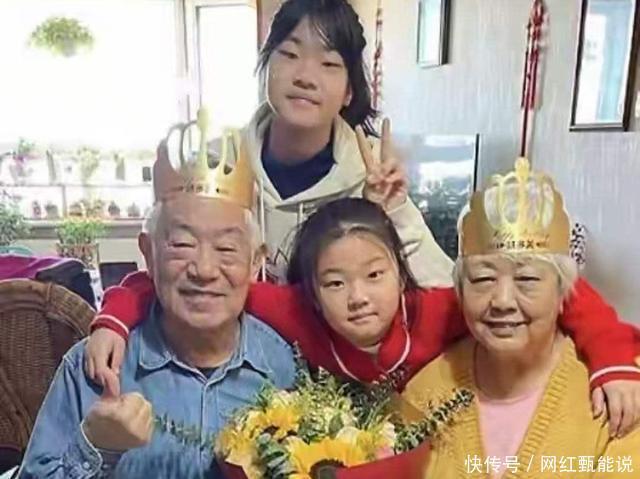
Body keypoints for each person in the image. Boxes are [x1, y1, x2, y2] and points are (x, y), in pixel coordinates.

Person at [87, 195, 640, 437]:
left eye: (375, 275)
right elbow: (184, 283)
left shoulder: (441, 309)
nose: (358, 297)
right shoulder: (292, 311)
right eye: (335, 282)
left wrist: (614, 362)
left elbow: (554, 291)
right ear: (310, 290)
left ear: (401, 273)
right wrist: (114, 317)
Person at [17, 133, 296, 478]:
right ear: (148, 253)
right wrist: (95, 448)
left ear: (255, 263)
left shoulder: (286, 367)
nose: (204, 269)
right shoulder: (95, 367)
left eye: (226, 249)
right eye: (181, 244)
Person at [401, 158, 640, 478]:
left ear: (564, 293)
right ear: (459, 290)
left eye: (527, 279)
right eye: (483, 279)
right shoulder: (423, 394)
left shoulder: (621, 398)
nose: (502, 300)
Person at [213, 0, 454, 286]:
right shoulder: (218, 164)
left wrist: (393, 213)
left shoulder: (369, 174)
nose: (305, 77)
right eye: (290, 54)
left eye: (329, 64)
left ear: (349, 91)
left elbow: (444, 286)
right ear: (265, 64)